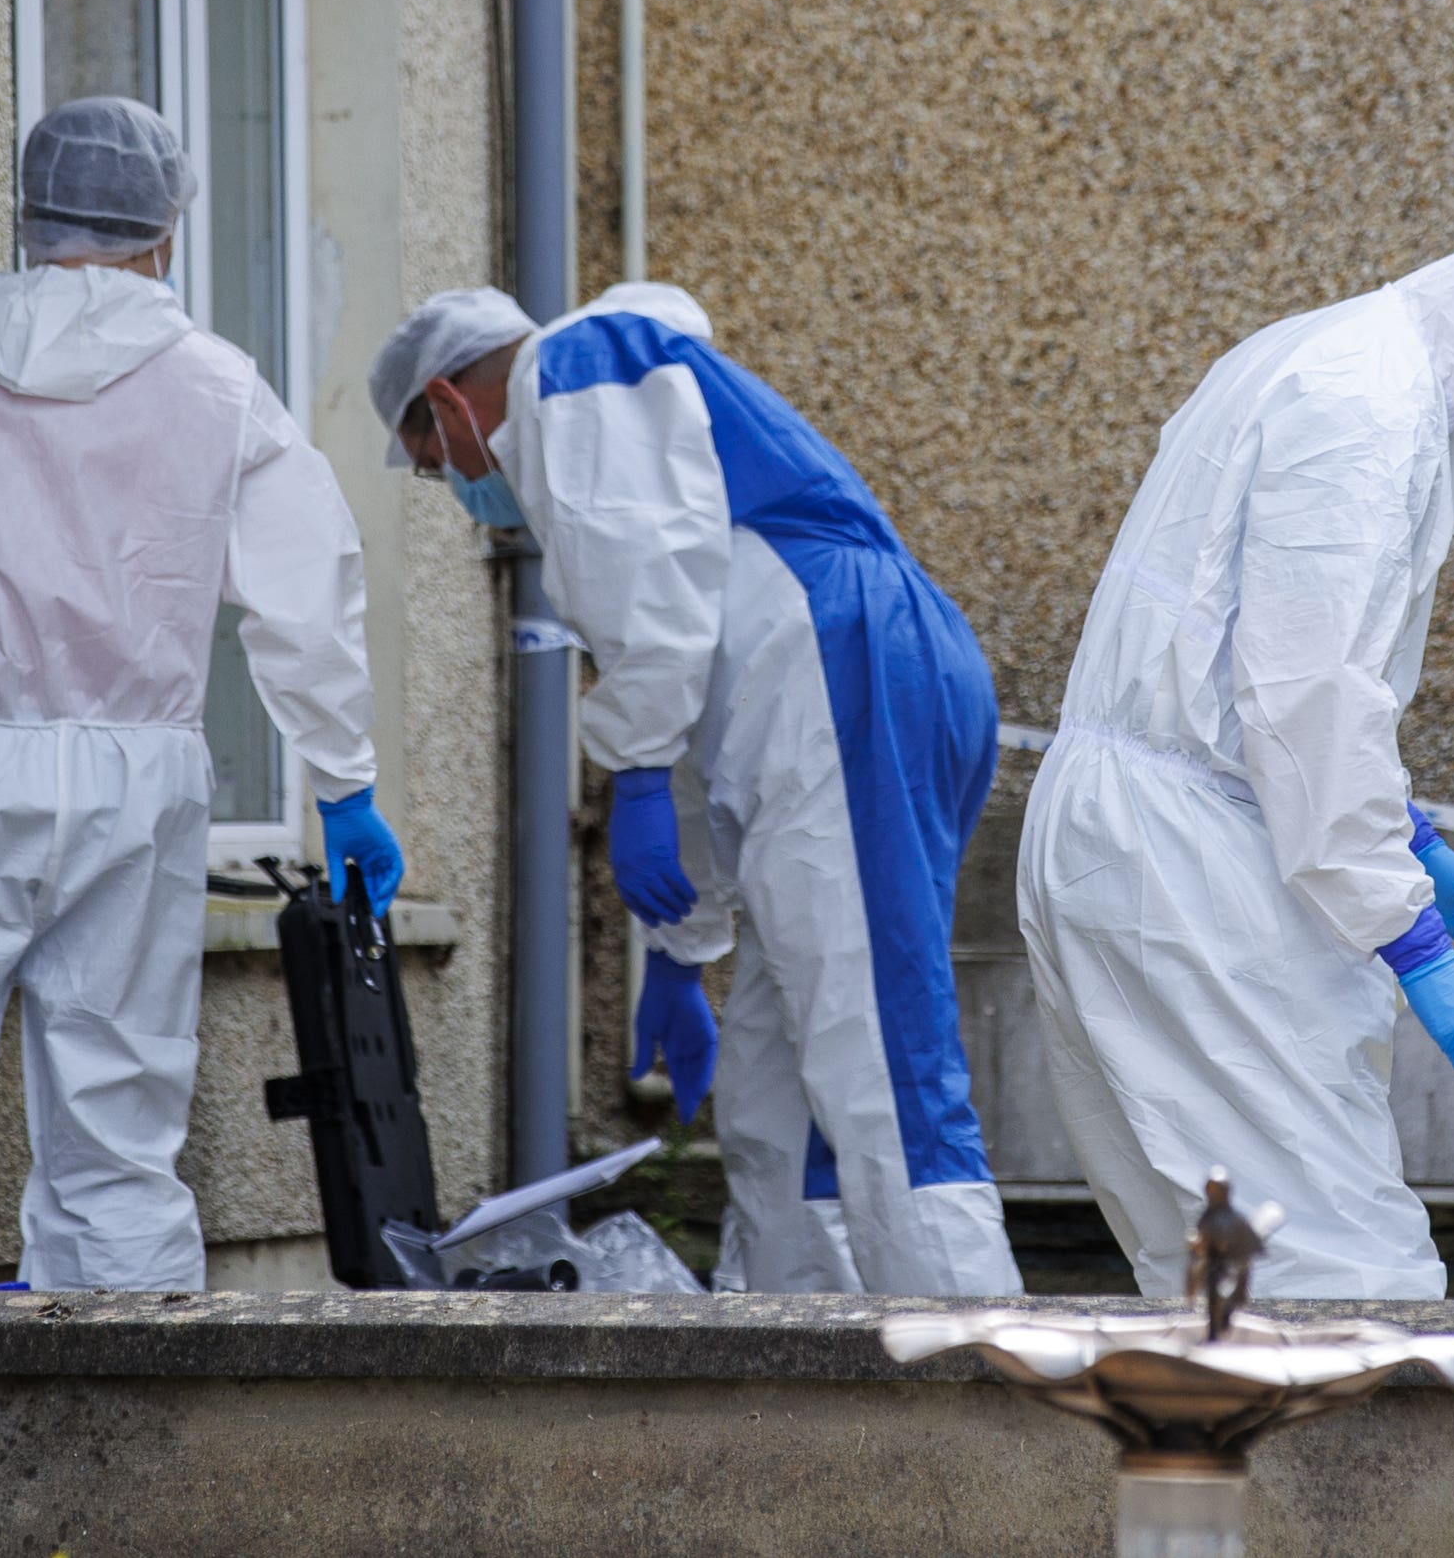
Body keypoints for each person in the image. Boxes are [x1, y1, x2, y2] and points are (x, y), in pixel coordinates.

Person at [0, 95, 388, 1293]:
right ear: (165, 228)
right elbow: (308, 590)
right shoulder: (218, 388)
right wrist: (344, 781)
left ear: (32, 211)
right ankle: (119, 1418)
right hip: (136, 774)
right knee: (119, 1120)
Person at [1017, 212, 1454, 1300]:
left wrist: (1415, 845)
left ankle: (1219, 1477)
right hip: (1188, 866)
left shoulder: (1320, 357)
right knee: (1338, 1278)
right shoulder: (1363, 409)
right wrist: (1409, 936)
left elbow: (1253, 665)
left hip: (1149, 829)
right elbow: (1303, 697)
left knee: (1220, 1275)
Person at [366, 282, 1024, 1298]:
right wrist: (682, 949)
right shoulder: (611, 433)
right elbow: (681, 686)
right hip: (834, 683)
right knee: (776, 1092)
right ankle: (809, 1363)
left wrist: (629, 771)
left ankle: (980, 1378)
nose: (451, 485)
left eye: (430, 462)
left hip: (837, 669)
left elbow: (656, 623)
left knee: (878, 1057)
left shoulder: (578, 364)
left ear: (450, 404)